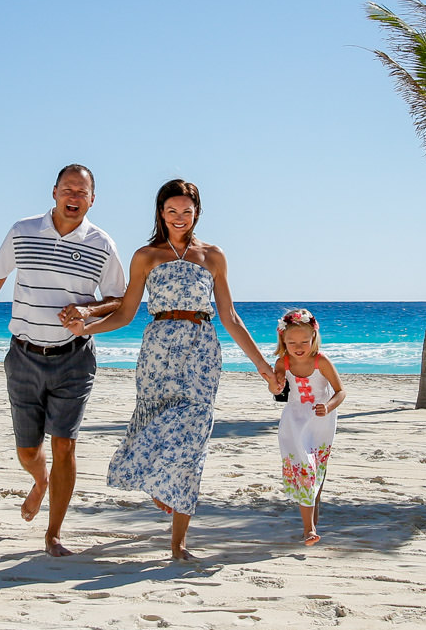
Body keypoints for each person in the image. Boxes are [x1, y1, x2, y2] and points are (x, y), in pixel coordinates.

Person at [70, 179, 274, 561]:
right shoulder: (146, 256)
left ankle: (178, 543)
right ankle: (157, 484)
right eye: (171, 211)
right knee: (155, 424)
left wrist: (262, 366)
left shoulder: (213, 256)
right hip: (158, 351)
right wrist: (88, 328)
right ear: (160, 213)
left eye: (186, 211)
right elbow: (127, 312)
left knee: (194, 440)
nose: (179, 218)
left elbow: (229, 316)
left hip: (202, 350)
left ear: (197, 213)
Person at [0, 165, 125, 557]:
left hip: (75, 359)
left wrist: (86, 311)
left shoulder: (102, 244)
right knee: (28, 452)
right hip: (23, 356)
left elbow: (119, 299)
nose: (74, 196)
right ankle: (40, 480)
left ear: (92, 199)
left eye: (82, 191)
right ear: (53, 192)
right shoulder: (23, 231)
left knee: (65, 445)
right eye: (68, 189)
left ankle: (53, 533)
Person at [265, 308, 346, 546]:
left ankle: (313, 510)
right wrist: (275, 385)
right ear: (283, 341)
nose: (298, 346)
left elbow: (340, 392)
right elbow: (276, 390)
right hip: (294, 420)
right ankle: (308, 529)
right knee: (304, 468)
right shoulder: (283, 362)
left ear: (313, 338)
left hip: (321, 421)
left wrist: (328, 406)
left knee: (317, 468)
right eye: (291, 342)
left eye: (304, 341)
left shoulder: (322, 362)